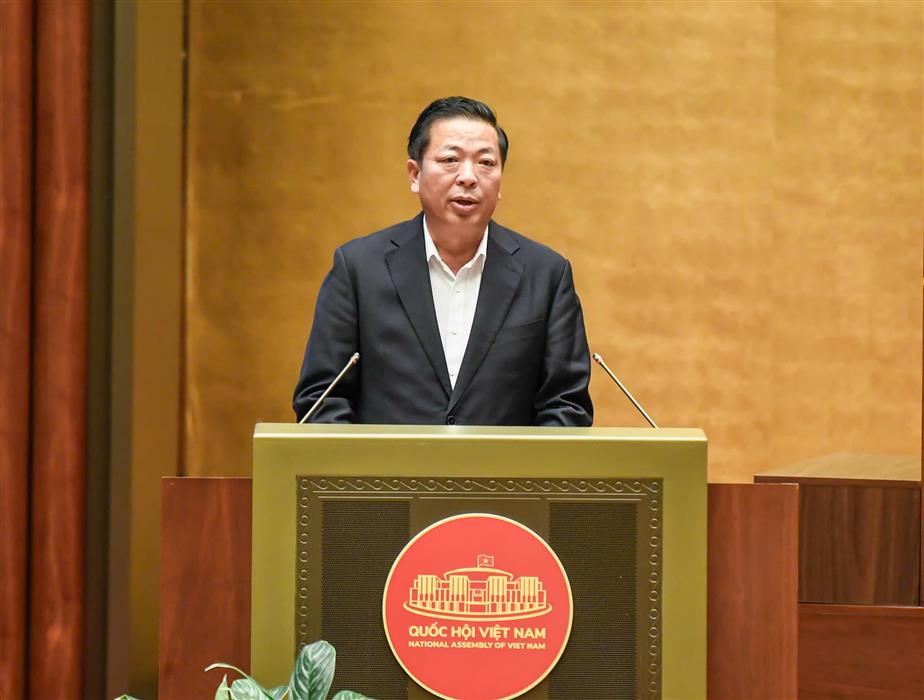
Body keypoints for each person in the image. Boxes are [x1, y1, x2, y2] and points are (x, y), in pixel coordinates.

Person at [293, 96, 593, 426]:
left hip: (504, 463)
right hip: (386, 462)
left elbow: (567, 406)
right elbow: (321, 400)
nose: (468, 177)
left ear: (500, 179)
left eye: (486, 163)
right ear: (415, 174)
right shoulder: (359, 269)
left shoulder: (546, 275)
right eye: (450, 159)